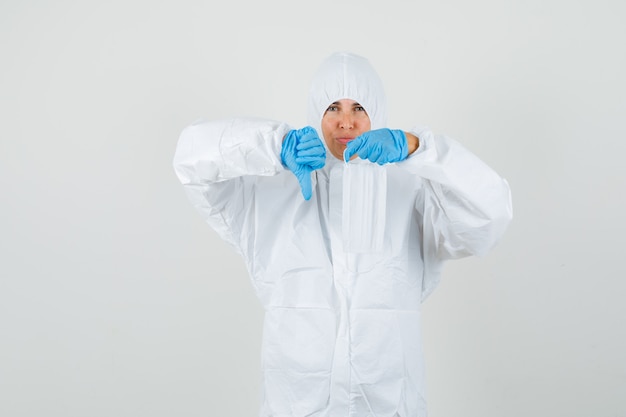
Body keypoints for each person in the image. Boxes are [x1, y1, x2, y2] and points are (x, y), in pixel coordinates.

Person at [173, 52, 512, 417]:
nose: (346, 123)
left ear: (377, 114)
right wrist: (274, 145)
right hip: (295, 404)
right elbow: (190, 160)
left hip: (389, 404)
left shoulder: (411, 190)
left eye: (359, 108)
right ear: (316, 111)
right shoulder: (270, 191)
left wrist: (417, 147)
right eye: (333, 107)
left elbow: (490, 213)